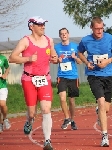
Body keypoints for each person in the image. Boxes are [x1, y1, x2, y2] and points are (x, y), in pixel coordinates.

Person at [9, 16, 58, 150]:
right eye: (40, 24)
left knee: (46, 109)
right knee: (32, 113)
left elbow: (53, 56)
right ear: (32, 26)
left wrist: (55, 59)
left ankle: (47, 141)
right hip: (29, 79)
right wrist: (28, 58)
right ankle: (29, 121)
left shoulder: (49, 40)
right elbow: (12, 58)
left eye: (44, 24)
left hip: (45, 79)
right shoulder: (25, 41)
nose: (43, 27)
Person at [78, 17, 112, 147]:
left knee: (106, 108)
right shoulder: (86, 40)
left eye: (101, 28)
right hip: (94, 75)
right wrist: (87, 62)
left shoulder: (110, 38)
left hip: (108, 75)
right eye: (97, 29)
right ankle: (104, 136)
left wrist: (107, 61)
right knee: (102, 103)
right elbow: (80, 53)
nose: (99, 31)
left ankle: (100, 112)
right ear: (92, 28)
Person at [54, 28, 82, 130]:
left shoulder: (75, 46)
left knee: (71, 100)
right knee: (62, 98)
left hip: (73, 76)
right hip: (61, 76)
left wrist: (75, 58)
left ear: (68, 35)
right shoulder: (56, 47)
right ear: (60, 36)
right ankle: (66, 118)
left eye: (65, 33)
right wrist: (58, 60)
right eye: (62, 34)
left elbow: (80, 62)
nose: (64, 35)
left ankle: (72, 119)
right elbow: (53, 60)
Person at [0, 54, 11, 132]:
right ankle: (0, 124)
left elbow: (8, 67)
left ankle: (5, 118)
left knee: (2, 104)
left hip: (2, 85)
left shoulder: (3, 58)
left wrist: (5, 74)